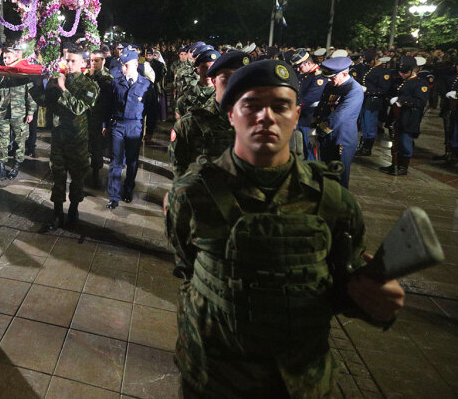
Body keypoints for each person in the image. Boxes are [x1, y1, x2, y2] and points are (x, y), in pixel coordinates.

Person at [166, 59, 405, 397]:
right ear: (231, 113)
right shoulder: (190, 194)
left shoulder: (334, 201)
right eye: (251, 105)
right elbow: (188, 266)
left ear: (297, 114)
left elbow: (340, 285)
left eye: (281, 106)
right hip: (215, 379)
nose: (267, 116)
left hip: (298, 384)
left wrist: (375, 301)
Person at [31, 42, 99, 230]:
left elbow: (78, 108)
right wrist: (37, 85)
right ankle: (57, 213)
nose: (69, 65)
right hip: (59, 139)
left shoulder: (89, 85)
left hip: (77, 140)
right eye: (67, 60)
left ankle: (74, 210)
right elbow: (45, 102)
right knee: (58, 177)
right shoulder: (59, 81)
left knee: (77, 178)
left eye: (73, 61)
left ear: (82, 63)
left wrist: (63, 89)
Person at [169, 50, 248, 179]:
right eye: (227, 78)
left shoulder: (261, 123)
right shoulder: (190, 123)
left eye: (242, 79)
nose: (235, 85)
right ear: (215, 81)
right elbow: (179, 168)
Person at [105, 49, 156, 209]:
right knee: (116, 161)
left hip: (135, 126)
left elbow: (152, 110)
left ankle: (128, 190)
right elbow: (108, 105)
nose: (122, 69)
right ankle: (113, 195)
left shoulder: (146, 85)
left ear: (135, 64)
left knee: (133, 161)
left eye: (126, 65)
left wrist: (150, 131)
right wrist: (105, 125)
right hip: (118, 125)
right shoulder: (116, 82)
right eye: (122, 65)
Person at [310, 56, 364, 187]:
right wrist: (313, 123)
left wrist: (318, 131)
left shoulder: (354, 90)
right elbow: (322, 106)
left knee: (339, 179)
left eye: (332, 77)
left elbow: (339, 116)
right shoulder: (331, 85)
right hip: (326, 137)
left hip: (341, 139)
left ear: (345, 73)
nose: (328, 80)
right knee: (325, 175)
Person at [0, 44, 38, 182]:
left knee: (20, 141)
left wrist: (30, 112)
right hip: (4, 113)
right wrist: (2, 77)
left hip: (20, 114)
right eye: (4, 58)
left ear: (15, 58)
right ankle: (1, 169)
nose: (6, 60)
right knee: (2, 141)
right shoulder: (0, 75)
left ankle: (16, 167)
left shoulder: (24, 76)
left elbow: (31, 97)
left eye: (8, 57)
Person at [378, 56, 428, 176]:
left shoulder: (420, 83)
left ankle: (403, 167)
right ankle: (395, 164)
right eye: (400, 71)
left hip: (409, 118)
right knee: (396, 141)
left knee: (405, 142)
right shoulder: (402, 81)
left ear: (413, 70)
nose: (401, 74)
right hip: (398, 116)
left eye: (405, 72)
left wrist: (402, 99)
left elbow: (420, 102)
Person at [290, 48, 326, 160]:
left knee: (310, 147)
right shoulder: (305, 74)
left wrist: (297, 105)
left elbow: (312, 97)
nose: (298, 69)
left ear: (308, 63)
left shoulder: (319, 76)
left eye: (299, 66)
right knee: (301, 147)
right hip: (302, 116)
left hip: (311, 118)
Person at [356, 51, 394, 157]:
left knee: (370, 124)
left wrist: (368, 90)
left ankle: (367, 148)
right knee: (363, 124)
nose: (368, 64)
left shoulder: (383, 71)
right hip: (365, 99)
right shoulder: (368, 69)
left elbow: (384, 89)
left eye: (370, 62)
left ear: (375, 59)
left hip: (374, 100)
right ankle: (362, 146)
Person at [87, 49, 113, 189]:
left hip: (99, 116)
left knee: (97, 146)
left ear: (103, 61)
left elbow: (106, 101)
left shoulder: (107, 78)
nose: (93, 63)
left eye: (96, 60)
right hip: (87, 115)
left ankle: (96, 172)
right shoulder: (89, 76)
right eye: (91, 60)